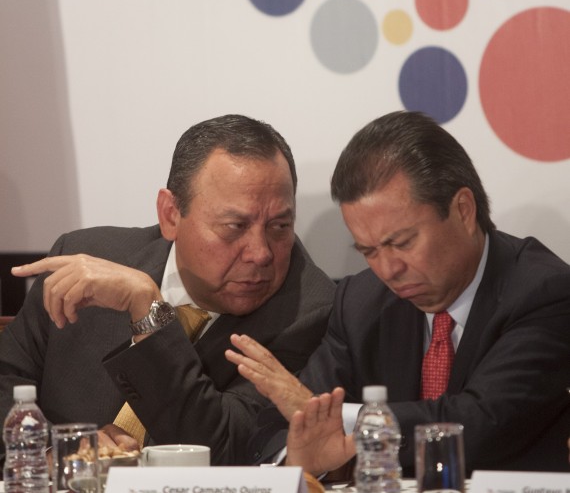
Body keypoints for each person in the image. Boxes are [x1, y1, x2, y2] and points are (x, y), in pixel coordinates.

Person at [226, 111, 570, 476]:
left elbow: (479, 423)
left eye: (402, 242)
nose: (388, 270)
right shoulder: (362, 302)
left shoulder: (544, 293)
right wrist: (300, 461)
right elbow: (285, 425)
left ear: (463, 211)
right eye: (369, 251)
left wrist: (343, 419)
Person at [0, 114, 335, 467]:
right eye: (235, 226)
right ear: (171, 214)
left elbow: (221, 448)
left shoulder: (309, 310)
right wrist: (58, 453)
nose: (261, 252)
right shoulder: (83, 257)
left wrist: (149, 312)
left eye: (280, 226)